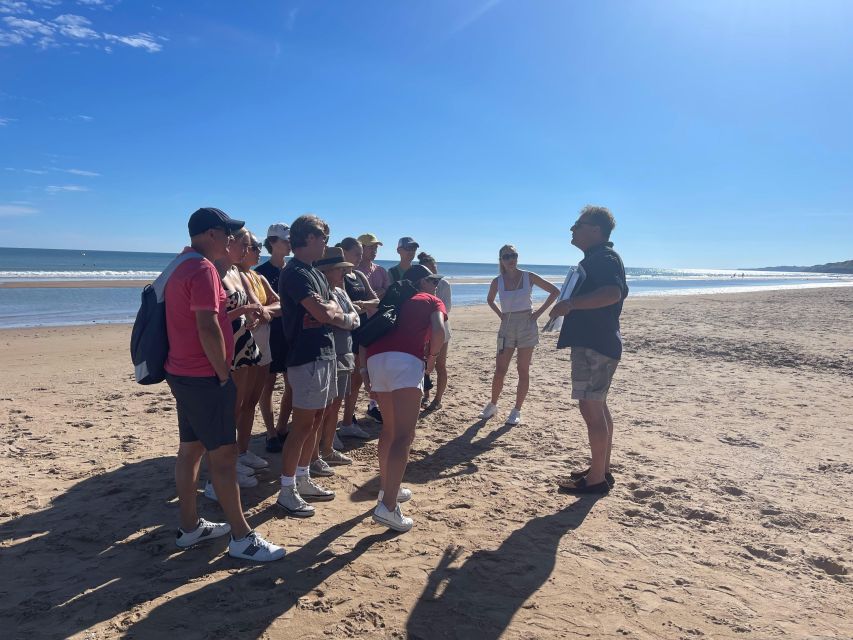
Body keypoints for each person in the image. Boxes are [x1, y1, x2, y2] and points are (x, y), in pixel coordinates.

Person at [165, 206, 283, 562]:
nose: (232, 240)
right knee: (224, 457)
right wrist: (221, 374)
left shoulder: (181, 264)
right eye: (228, 234)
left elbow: (206, 316)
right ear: (211, 234)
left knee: (191, 449)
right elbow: (205, 327)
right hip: (204, 376)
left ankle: (190, 527)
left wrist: (236, 313)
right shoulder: (202, 268)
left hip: (182, 372)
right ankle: (241, 537)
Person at [276, 214, 355, 517]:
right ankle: (286, 490)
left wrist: (333, 312)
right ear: (308, 238)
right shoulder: (295, 272)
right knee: (301, 426)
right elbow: (322, 312)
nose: (326, 242)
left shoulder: (314, 272)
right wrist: (339, 315)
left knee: (316, 420)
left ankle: (302, 477)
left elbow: (331, 306)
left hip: (325, 353)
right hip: (306, 356)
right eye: (323, 236)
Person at [549, 205, 628, 495]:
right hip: (597, 343)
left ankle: (596, 480)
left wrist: (571, 304)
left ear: (596, 230)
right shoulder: (597, 258)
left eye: (578, 224)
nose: (572, 229)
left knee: (591, 407)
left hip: (596, 344)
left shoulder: (605, 258)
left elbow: (612, 293)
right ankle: (601, 469)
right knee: (598, 406)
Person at [363, 264, 447, 532]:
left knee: (389, 430)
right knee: (404, 435)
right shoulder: (431, 300)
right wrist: (431, 360)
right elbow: (440, 332)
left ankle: (388, 490)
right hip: (406, 361)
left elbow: (366, 336)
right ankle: (387, 507)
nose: (435, 284)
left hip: (377, 360)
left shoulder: (391, 300)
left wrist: (364, 370)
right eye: (431, 279)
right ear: (420, 282)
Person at [479, 245, 560, 426]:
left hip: (527, 325)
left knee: (522, 369)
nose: (511, 259)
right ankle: (492, 405)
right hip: (506, 326)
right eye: (507, 256)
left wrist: (538, 314)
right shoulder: (497, 281)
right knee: (500, 369)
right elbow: (490, 300)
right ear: (501, 260)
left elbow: (555, 291)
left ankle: (517, 410)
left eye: (513, 255)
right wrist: (501, 315)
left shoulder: (528, 276)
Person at [213, 228, 265, 494]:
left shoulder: (236, 272)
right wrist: (243, 311)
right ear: (229, 243)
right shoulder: (215, 272)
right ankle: (222, 471)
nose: (247, 250)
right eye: (244, 244)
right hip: (229, 349)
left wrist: (250, 315)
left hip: (245, 344)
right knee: (230, 410)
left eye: (249, 245)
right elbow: (212, 320)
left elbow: (250, 305)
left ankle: (234, 459)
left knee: (243, 405)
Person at [312, 246, 360, 474]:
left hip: (345, 352)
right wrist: (344, 319)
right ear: (327, 270)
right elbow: (329, 319)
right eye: (339, 270)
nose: (343, 274)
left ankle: (329, 447)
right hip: (328, 354)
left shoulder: (340, 292)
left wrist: (343, 319)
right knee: (324, 407)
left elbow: (354, 318)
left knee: (337, 402)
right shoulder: (319, 293)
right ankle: (315, 453)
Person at [255, 223, 292, 453]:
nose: (289, 244)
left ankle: (281, 428)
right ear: (272, 243)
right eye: (285, 240)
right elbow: (260, 308)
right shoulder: (260, 273)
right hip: (269, 335)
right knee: (266, 386)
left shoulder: (294, 269)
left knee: (292, 385)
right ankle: (270, 432)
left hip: (290, 335)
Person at [338, 237, 380, 439]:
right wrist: (362, 305)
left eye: (360, 255)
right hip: (344, 331)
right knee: (341, 381)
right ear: (343, 252)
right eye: (356, 254)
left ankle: (347, 421)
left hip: (360, 330)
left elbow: (376, 300)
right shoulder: (338, 275)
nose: (358, 258)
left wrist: (361, 303)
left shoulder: (360, 275)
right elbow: (343, 304)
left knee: (356, 380)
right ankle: (332, 428)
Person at [356, 232, 389, 424]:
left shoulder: (380, 271)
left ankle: (373, 405)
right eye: (371, 247)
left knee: (374, 364)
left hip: (376, 323)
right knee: (357, 368)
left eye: (376, 247)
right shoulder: (353, 271)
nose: (375, 250)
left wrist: (379, 293)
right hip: (358, 322)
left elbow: (388, 292)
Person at [418, 252, 451, 411]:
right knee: (424, 365)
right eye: (430, 270)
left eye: (435, 268)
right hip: (424, 330)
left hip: (441, 328)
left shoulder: (444, 284)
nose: (434, 273)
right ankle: (426, 395)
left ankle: (438, 399)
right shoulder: (421, 283)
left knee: (440, 365)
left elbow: (447, 308)